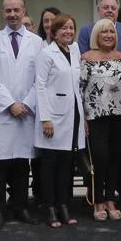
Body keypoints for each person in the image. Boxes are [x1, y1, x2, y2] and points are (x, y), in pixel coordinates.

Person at [0, 0, 43, 229]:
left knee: (21, 164)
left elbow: (41, 79)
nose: (12, 14)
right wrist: (10, 104)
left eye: (16, 10)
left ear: (24, 10)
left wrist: (26, 104)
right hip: (3, 113)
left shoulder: (36, 42)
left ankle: (20, 207)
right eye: (8, 11)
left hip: (26, 112)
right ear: (3, 13)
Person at [34, 13, 85, 228]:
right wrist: (45, 119)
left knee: (66, 165)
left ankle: (64, 205)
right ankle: (51, 207)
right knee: (50, 165)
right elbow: (40, 85)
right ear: (54, 32)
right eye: (63, 28)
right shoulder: (46, 54)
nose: (68, 31)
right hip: (53, 118)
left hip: (73, 116)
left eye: (71, 28)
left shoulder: (75, 50)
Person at [80, 19, 121, 221]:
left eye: (111, 31)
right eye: (104, 32)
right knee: (100, 158)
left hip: (120, 115)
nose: (108, 35)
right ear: (96, 36)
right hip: (96, 116)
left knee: (115, 157)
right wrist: (83, 118)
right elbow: (79, 89)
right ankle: (98, 200)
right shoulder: (86, 58)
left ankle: (111, 199)